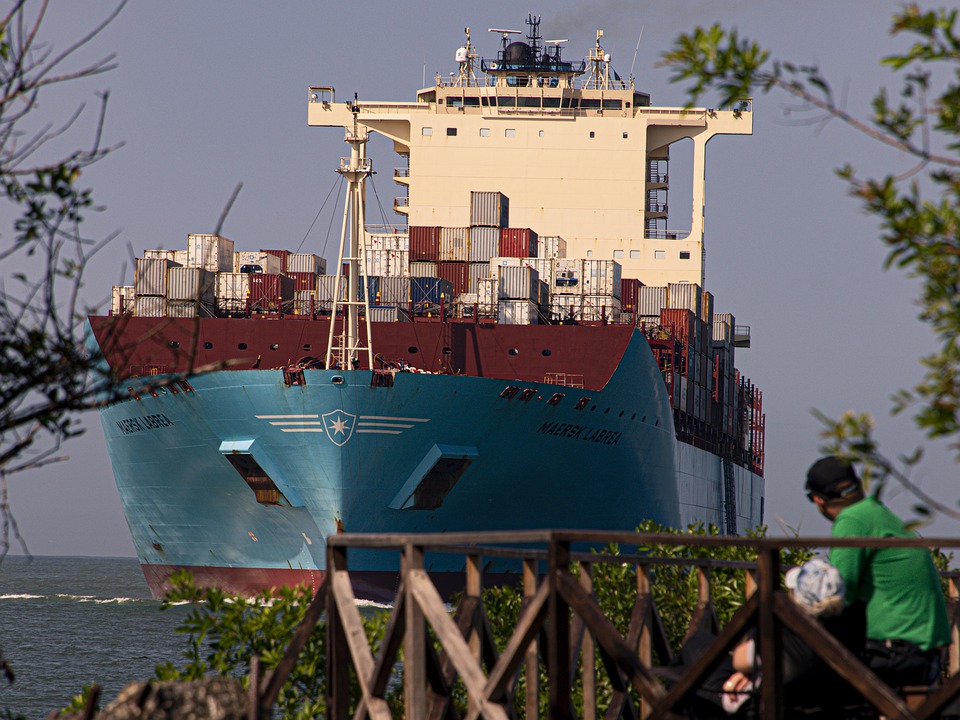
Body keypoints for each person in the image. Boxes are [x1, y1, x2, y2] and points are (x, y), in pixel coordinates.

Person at [805, 455, 950, 688]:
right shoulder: (879, 513)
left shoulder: (852, 519)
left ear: (817, 500)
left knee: (795, 674)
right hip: (926, 654)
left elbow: (837, 594)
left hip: (894, 654)